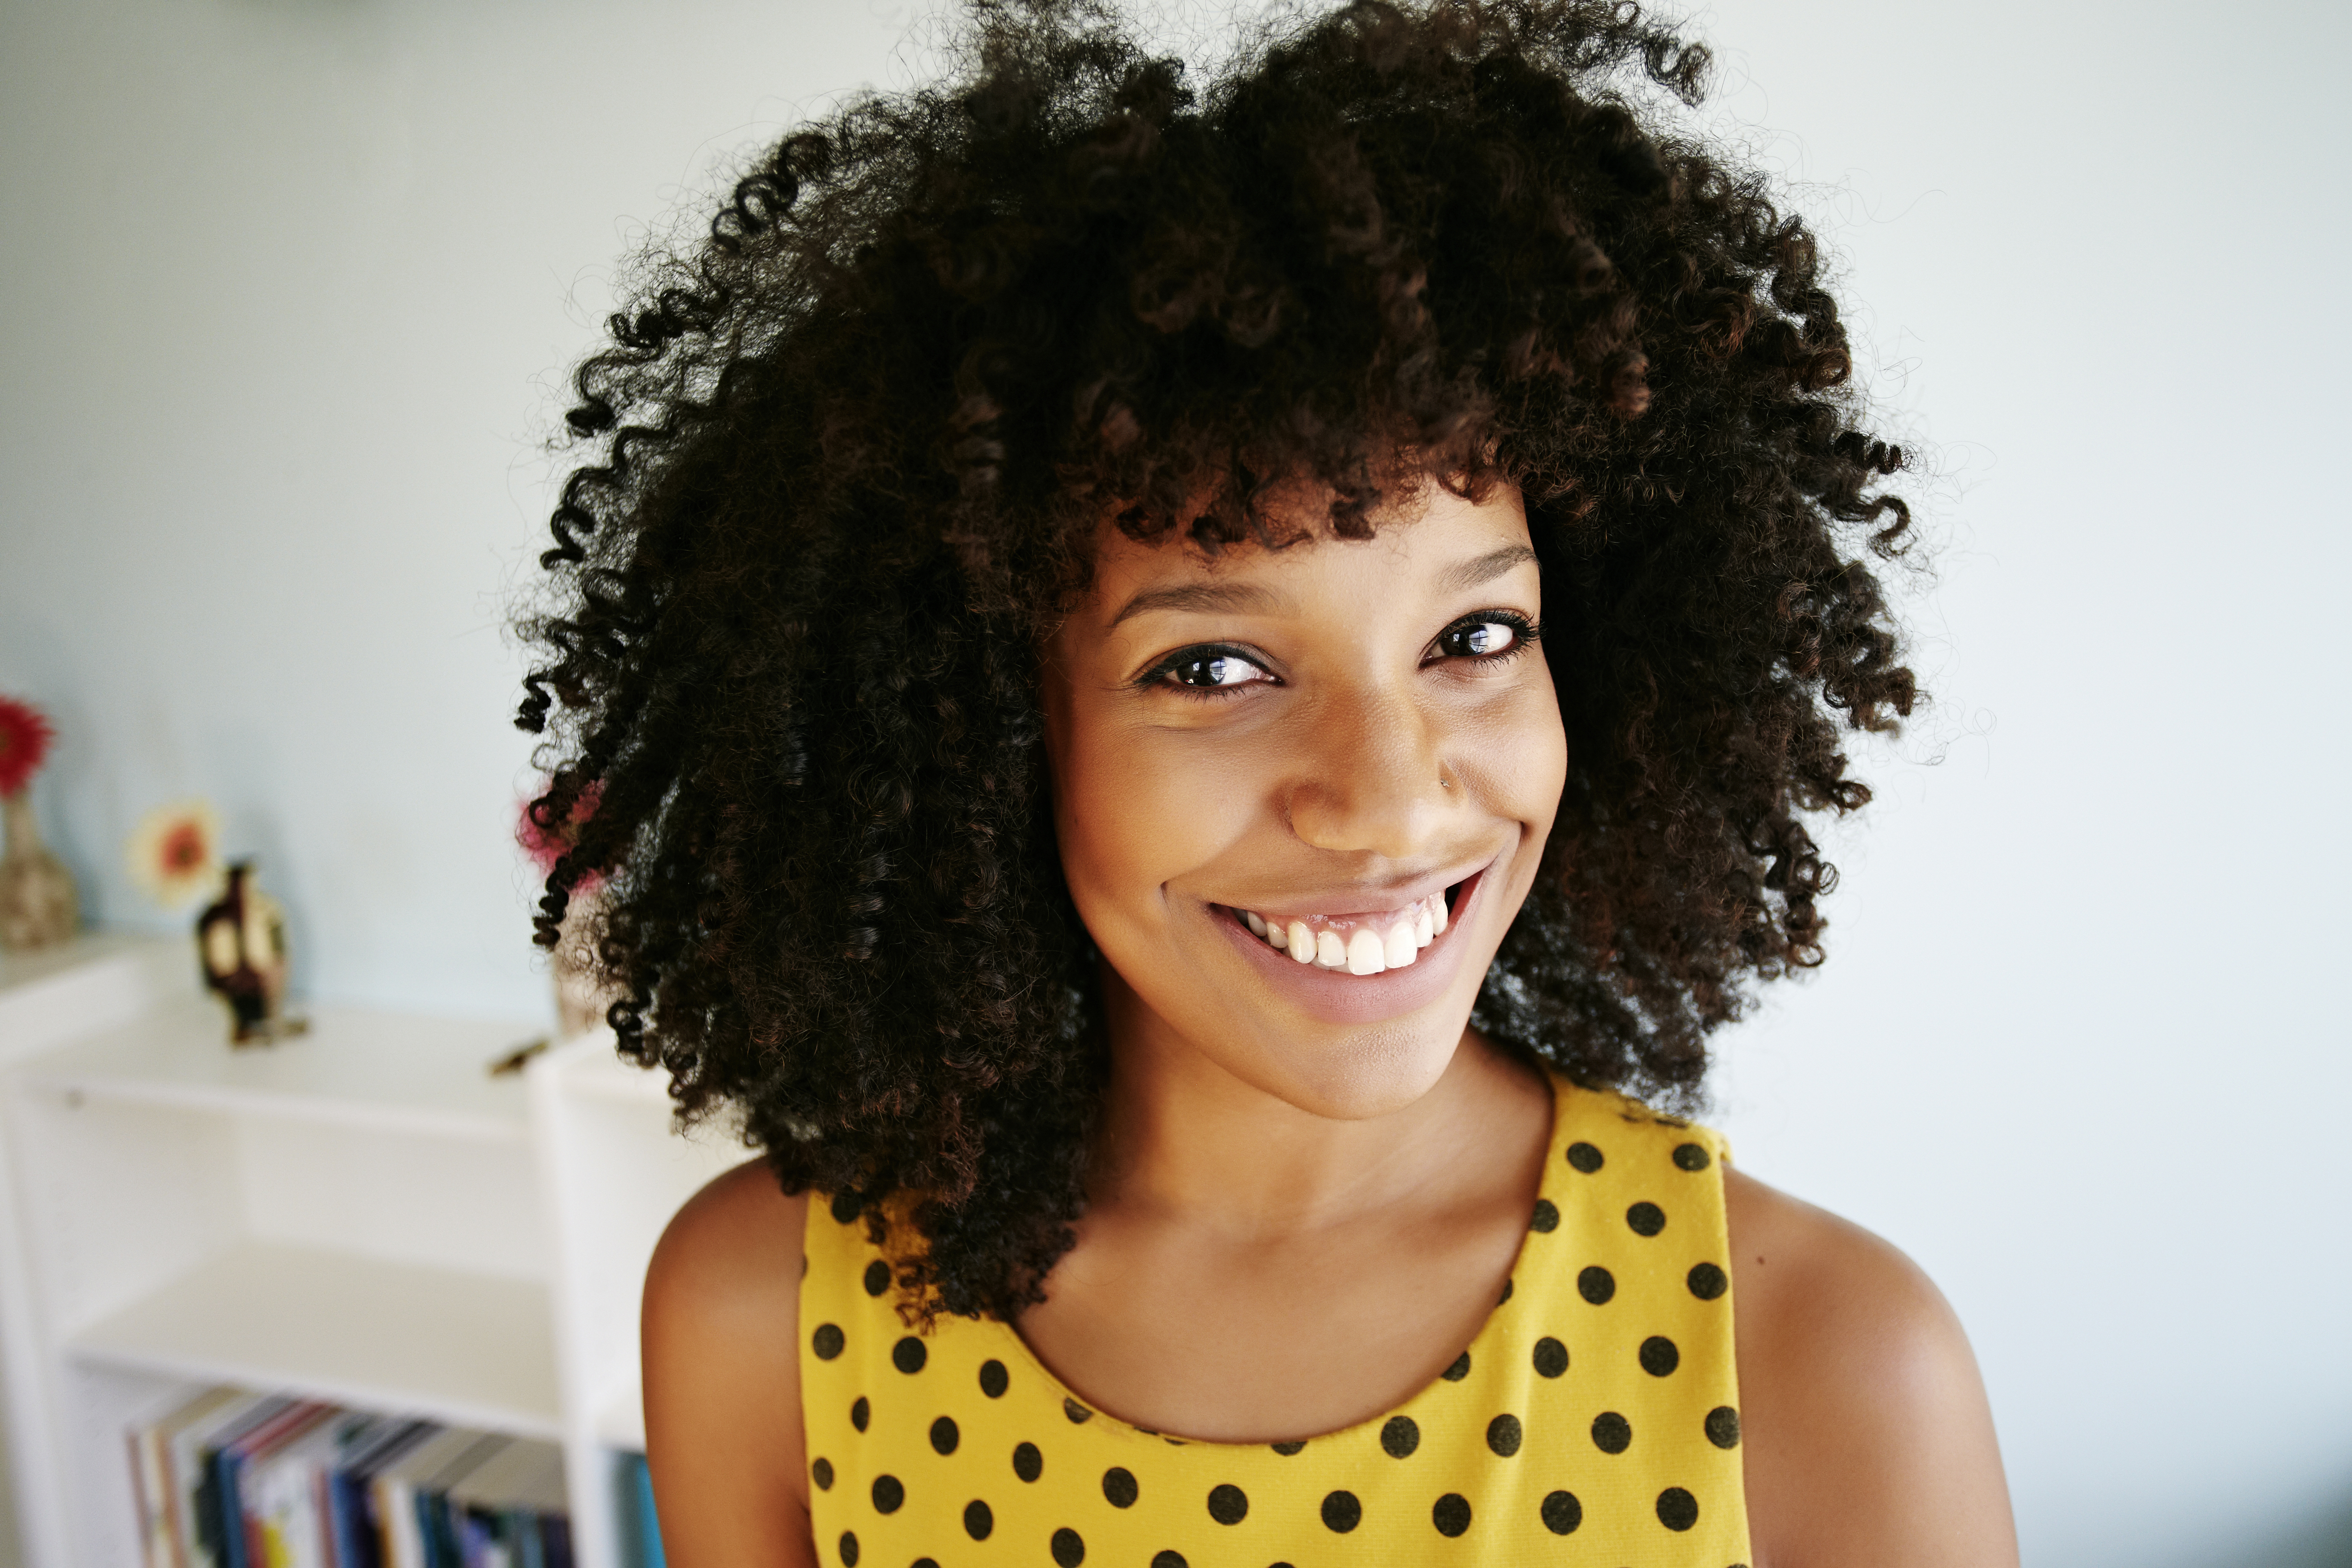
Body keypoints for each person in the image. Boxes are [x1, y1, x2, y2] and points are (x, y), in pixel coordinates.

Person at [518, 2, 2017, 1562]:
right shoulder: (759, 1320)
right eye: (1215, 668)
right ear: (985, 726)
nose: (1386, 799)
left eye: (1476, 633)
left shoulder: (1825, 1369)